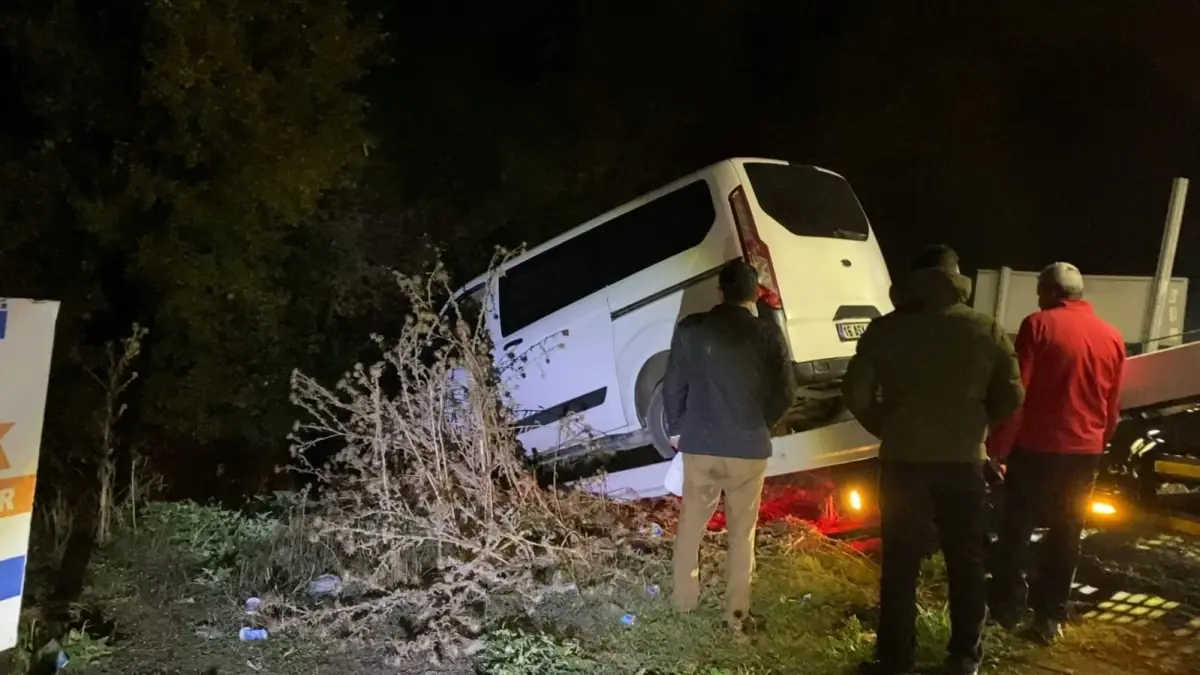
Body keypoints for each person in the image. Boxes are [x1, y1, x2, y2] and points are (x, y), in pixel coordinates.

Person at [842, 245, 1024, 675]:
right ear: (957, 279)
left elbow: (855, 393)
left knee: (901, 564)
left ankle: (895, 660)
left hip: (904, 461)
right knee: (966, 560)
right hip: (962, 462)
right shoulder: (985, 328)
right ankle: (964, 657)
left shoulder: (885, 330)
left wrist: (885, 426)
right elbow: (1013, 394)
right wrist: (977, 428)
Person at [987, 262, 1126, 645]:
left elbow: (1018, 393)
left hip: (1036, 449)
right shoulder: (1112, 336)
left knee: (1016, 529)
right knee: (1067, 533)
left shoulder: (1039, 325)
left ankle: (1007, 610)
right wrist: (1099, 439)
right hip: (1085, 452)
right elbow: (1113, 406)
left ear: (1049, 292)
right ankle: (1050, 618)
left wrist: (997, 447)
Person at [663, 259, 797, 635]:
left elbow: (673, 384)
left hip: (701, 447)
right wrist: (761, 422)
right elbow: (787, 392)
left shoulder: (692, 330)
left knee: (691, 525)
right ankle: (736, 614)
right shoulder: (768, 336)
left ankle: (684, 601)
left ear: (720, 292)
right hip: (748, 451)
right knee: (743, 534)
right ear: (754, 296)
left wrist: (676, 428)